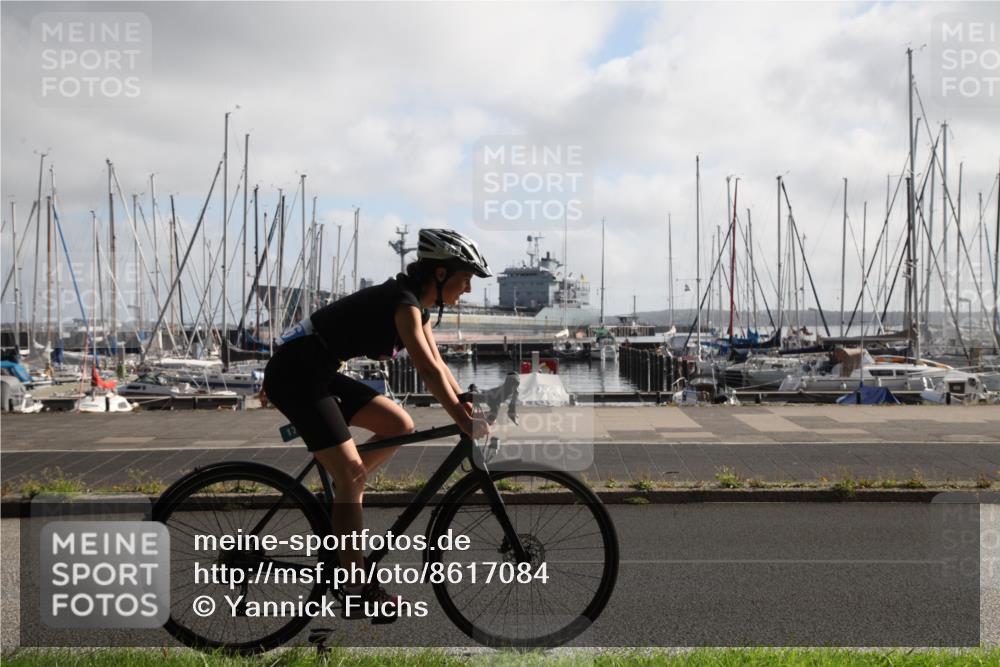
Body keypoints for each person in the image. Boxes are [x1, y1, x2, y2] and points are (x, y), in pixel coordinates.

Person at [262, 228, 492, 622]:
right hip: (295, 374)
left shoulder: (419, 306)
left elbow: (438, 365)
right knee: (352, 473)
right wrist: (462, 420)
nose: (468, 288)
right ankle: (355, 588)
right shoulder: (403, 304)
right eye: (465, 277)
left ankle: (340, 499)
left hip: (317, 370)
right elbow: (424, 369)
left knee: (399, 425)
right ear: (440, 274)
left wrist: (464, 401)